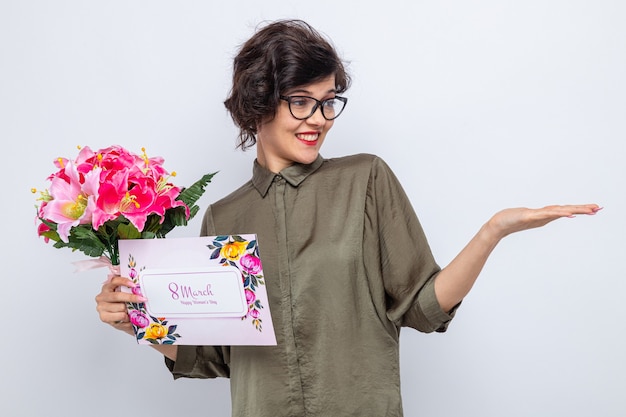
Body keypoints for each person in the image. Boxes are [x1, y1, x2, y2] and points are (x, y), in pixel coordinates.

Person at [95, 19, 601, 417]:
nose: (318, 118)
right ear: (258, 104)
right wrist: (136, 321)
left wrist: (494, 230)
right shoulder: (223, 216)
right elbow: (216, 359)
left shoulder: (366, 181)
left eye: (328, 101)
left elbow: (422, 308)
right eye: (301, 101)